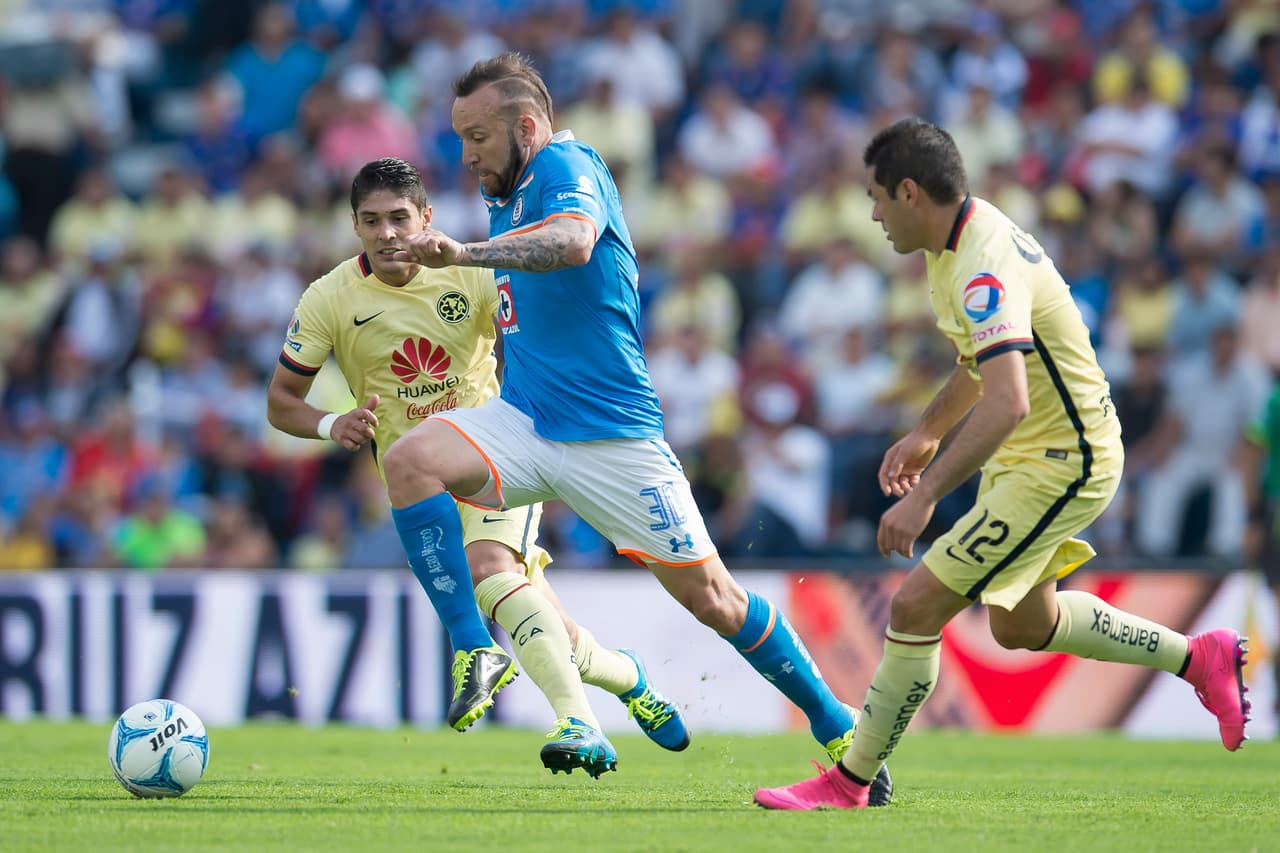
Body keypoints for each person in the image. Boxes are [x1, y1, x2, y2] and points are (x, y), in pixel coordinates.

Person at [384, 52, 892, 804]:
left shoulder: (565, 161)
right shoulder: (506, 187)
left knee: (713, 598)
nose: (466, 156)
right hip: (524, 421)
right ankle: (472, 648)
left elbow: (575, 242)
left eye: (478, 137)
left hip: (612, 439)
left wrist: (465, 252)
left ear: (526, 126)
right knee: (409, 461)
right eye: (460, 138)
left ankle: (835, 722)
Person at [753, 118, 1251, 811]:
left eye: (876, 197)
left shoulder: (981, 258)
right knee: (1020, 624)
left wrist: (925, 494)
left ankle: (851, 778)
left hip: (1063, 457)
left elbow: (1009, 400)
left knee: (915, 602)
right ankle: (1200, 657)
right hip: (1035, 454)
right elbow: (980, 364)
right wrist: (927, 431)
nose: (871, 214)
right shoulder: (952, 246)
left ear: (908, 191)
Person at [267, 157, 688, 777]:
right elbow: (281, 401)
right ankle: (627, 676)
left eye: (399, 219)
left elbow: (535, 340)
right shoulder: (329, 297)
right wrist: (333, 423)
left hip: (496, 455)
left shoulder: (471, 274)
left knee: (488, 571)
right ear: (354, 226)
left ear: (426, 218)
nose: (387, 233)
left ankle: (578, 723)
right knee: (545, 626)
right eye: (372, 221)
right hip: (419, 483)